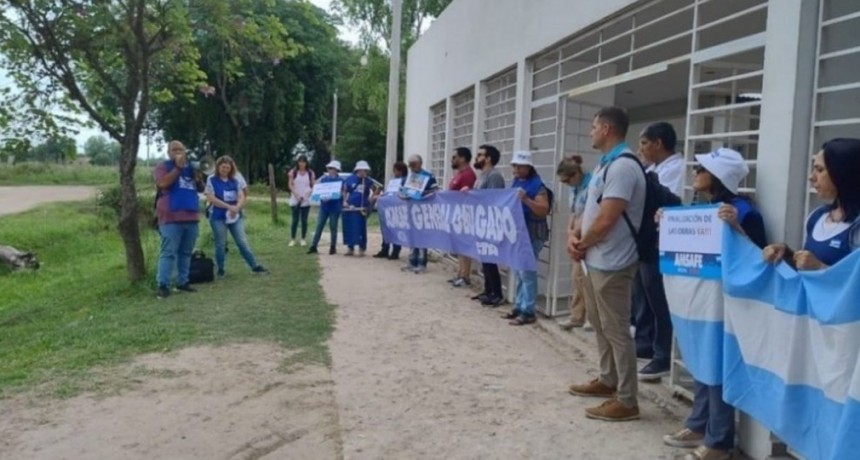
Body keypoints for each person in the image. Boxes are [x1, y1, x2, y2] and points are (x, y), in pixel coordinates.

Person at [662, 147, 767, 460]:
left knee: (717, 366)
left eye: (701, 169)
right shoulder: (702, 208)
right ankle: (699, 422)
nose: (695, 173)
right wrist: (666, 224)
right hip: (700, 303)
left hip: (725, 306)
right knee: (699, 359)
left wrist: (737, 227)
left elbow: (760, 256)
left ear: (718, 177)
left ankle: (719, 441)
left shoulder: (745, 212)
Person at [567, 107, 645, 422]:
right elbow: (589, 209)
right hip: (594, 260)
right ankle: (607, 379)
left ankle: (627, 400)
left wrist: (582, 243)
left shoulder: (624, 167)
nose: (590, 131)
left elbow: (609, 218)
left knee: (616, 330)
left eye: (594, 126)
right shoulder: (605, 164)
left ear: (608, 128)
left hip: (613, 262)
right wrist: (574, 237)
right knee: (600, 325)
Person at [632, 122, 684, 381]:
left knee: (660, 300)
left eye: (643, 143)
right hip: (646, 242)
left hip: (662, 243)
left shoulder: (676, 170)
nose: (640, 149)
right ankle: (644, 341)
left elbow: (666, 203)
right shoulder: (651, 169)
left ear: (658, 144)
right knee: (643, 294)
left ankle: (662, 355)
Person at [763, 138, 860, 270]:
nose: (811, 177)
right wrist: (787, 255)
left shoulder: (855, 227)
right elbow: (807, 270)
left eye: (820, 170)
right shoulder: (817, 216)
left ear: (842, 173)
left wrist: (820, 267)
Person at [500, 150, 550, 326]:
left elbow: (543, 209)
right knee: (520, 270)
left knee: (527, 271)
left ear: (528, 167)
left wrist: (526, 200)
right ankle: (520, 306)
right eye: (514, 165)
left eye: (519, 166)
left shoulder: (538, 185)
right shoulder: (517, 181)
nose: (515, 168)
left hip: (533, 231)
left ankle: (528, 310)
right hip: (520, 231)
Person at [154, 140, 203, 299]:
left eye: (181, 150)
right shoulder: (163, 167)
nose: (178, 152)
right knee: (168, 252)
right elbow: (163, 183)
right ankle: (163, 284)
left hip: (190, 215)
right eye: (174, 150)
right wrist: (178, 168)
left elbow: (201, 188)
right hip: (171, 216)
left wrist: (199, 178)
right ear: (168, 153)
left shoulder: (192, 168)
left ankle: (183, 282)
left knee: (186, 252)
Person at [204, 155, 268, 277]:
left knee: (242, 241)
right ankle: (221, 269)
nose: (225, 170)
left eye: (228, 168)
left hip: (234, 216)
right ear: (218, 167)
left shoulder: (235, 179)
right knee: (221, 244)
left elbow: (241, 195)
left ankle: (254, 266)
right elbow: (211, 197)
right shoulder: (211, 179)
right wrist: (229, 207)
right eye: (223, 167)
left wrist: (237, 207)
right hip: (218, 215)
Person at [557, 155, 592, 330]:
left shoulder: (591, 185)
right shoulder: (575, 189)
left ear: (575, 174)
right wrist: (569, 233)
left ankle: (591, 318)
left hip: (589, 234)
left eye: (566, 180)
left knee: (587, 279)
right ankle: (577, 315)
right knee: (577, 277)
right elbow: (573, 212)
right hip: (577, 235)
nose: (565, 184)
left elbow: (588, 213)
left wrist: (576, 234)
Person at [471, 145, 506, 307]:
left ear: (488, 158)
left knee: (491, 259)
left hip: (490, 224)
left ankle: (496, 293)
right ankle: (487, 290)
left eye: (480, 155)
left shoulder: (494, 176)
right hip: (480, 222)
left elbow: (493, 200)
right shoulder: (482, 176)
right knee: (484, 259)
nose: (476, 158)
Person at [400, 154, 438, 273]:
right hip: (411, 209)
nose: (411, 167)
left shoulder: (428, 176)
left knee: (422, 237)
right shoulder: (410, 177)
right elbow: (403, 190)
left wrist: (422, 193)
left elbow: (435, 191)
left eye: (413, 165)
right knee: (412, 237)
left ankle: (422, 263)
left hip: (423, 211)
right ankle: (412, 261)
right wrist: (403, 195)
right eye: (409, 165)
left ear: (420, 164)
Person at [447, 147, 478, 287]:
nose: (452, 160)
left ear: (463, 158)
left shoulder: (468, 175)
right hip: (456, 214)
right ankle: (460, 273)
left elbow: (467, 195)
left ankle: (466, 276)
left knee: (465, 246)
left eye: (455, 157)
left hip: (464, 215)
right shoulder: (459, 174)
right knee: (460, 246)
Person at [372, 161, 408, 260]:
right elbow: (389, 193)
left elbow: (403, 194)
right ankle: (385, 249)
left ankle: (395, 251)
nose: (394, 172)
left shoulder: (405, 181)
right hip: (388, 208)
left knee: (396, 229)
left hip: (397, 208)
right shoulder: (393, 181)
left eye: (395, 170)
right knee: (386, 228)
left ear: (400, 171)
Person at [307, 160, 344, 255]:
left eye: (331, 168)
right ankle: (313, 246)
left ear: (336, 170)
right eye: (329, 168)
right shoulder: (324, 179)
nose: (330, 170)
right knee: (319, 226)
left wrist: (335, 196)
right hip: (324, 207)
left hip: (335, 207)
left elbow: (342, 193)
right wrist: (322, 197)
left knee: (333, 227)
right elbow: (319, 192)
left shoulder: (340, 181)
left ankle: (332, 247)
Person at [342, 160, 374, 257]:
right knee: (350, 227)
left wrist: (371, 201)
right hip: (351, 207)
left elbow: (375, 190)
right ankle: (350, 247)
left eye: (365, 170)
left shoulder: (368, 181)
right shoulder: (350, 179)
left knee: (361, 228)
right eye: (361, 170)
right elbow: (344, 190)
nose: (363, 172)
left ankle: (362, 247)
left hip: (362, 208)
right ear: (357, 170)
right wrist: (344, 201)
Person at [287, 155, 315, 247]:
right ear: (298, 162)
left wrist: (308, 194)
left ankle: (303, 238)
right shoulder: (293, 172)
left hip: (306, 199)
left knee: (304, 220)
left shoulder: (310, 173)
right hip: (296, 199)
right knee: (295, 220)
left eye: (303, 162)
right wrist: (296, 195)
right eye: (300, 162)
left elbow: (313, 185)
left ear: (306, 163)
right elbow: (290, 185)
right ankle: (293, 239)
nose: (302, 164)